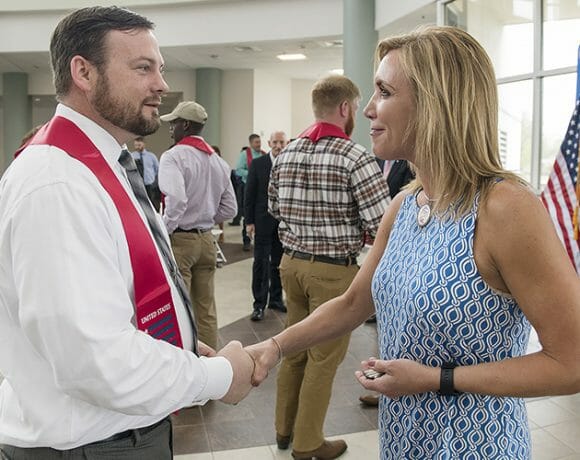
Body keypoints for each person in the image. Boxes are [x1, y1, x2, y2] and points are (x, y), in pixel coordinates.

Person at [247, 26, 580, 459]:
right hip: (404, 442)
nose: (368, 109)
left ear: (435, 103)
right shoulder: (404, 205)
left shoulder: (504, 208)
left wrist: (437, 378)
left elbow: (570, 362)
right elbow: (353, 303)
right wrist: (273, 347)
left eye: (384, 92)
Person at [0, 7, 253, 459]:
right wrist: (218, 378)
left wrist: (178, 346)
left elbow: (115, 293)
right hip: (89, 446)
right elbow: (93, 360)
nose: (161, 84)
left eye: (161, 68)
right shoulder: (57, 183)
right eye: (142, 68)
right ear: (84, 72)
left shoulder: (100, 163)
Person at [264, 75, 389, 459]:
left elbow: (273, 208)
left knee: (294, 349)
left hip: (292, 265)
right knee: (324, 356)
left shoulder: (286, 153)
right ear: (345, 108)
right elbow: (382, 222)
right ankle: (308, 443)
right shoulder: (355, 157)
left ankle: (283, 430)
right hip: (333, 272)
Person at [158, 101, 237, 350]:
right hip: (206, 240)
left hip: (181, 240)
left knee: (181, 306)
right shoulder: (218, 162)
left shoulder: (173, 157)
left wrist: (164, 230)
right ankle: (210, 358)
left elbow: (177, 201)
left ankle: (185, 358)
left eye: (174, 123)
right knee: (206, 308)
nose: (170, 128)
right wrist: (206, 218)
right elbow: (230, 209)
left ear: (185, 125)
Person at [245, 131, 288, 321]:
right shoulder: (258, 164)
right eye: (275, 142)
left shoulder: (289, 163)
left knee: (278, 263)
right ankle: (259, 304)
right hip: (262, 221)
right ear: (269, 143)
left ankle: (276, 299)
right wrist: (249, 222)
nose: (278, 146)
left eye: (282, 142)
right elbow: (250, 194)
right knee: (261, 264)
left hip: (283, 224)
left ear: (286, 143)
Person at [235, 134, 267, 251]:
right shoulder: (244, 155)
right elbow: (238, 170)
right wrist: (253, 174)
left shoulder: (264, 154)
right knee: (247, 215)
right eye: (256, 142)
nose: (259, 144)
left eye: (259, 142)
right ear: (251, 143)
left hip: (261, 190)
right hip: (247, 188)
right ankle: (246, 241)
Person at [131, 136, 161, 210]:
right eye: (136, 145)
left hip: (150, 185)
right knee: (139, 204)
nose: (137, 147)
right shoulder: (132, 156)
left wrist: (154, 181)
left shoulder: (151, 156)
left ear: (143, 144)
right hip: (137, 184)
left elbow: (157, 170)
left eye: (139, 145)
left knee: (152, 204)